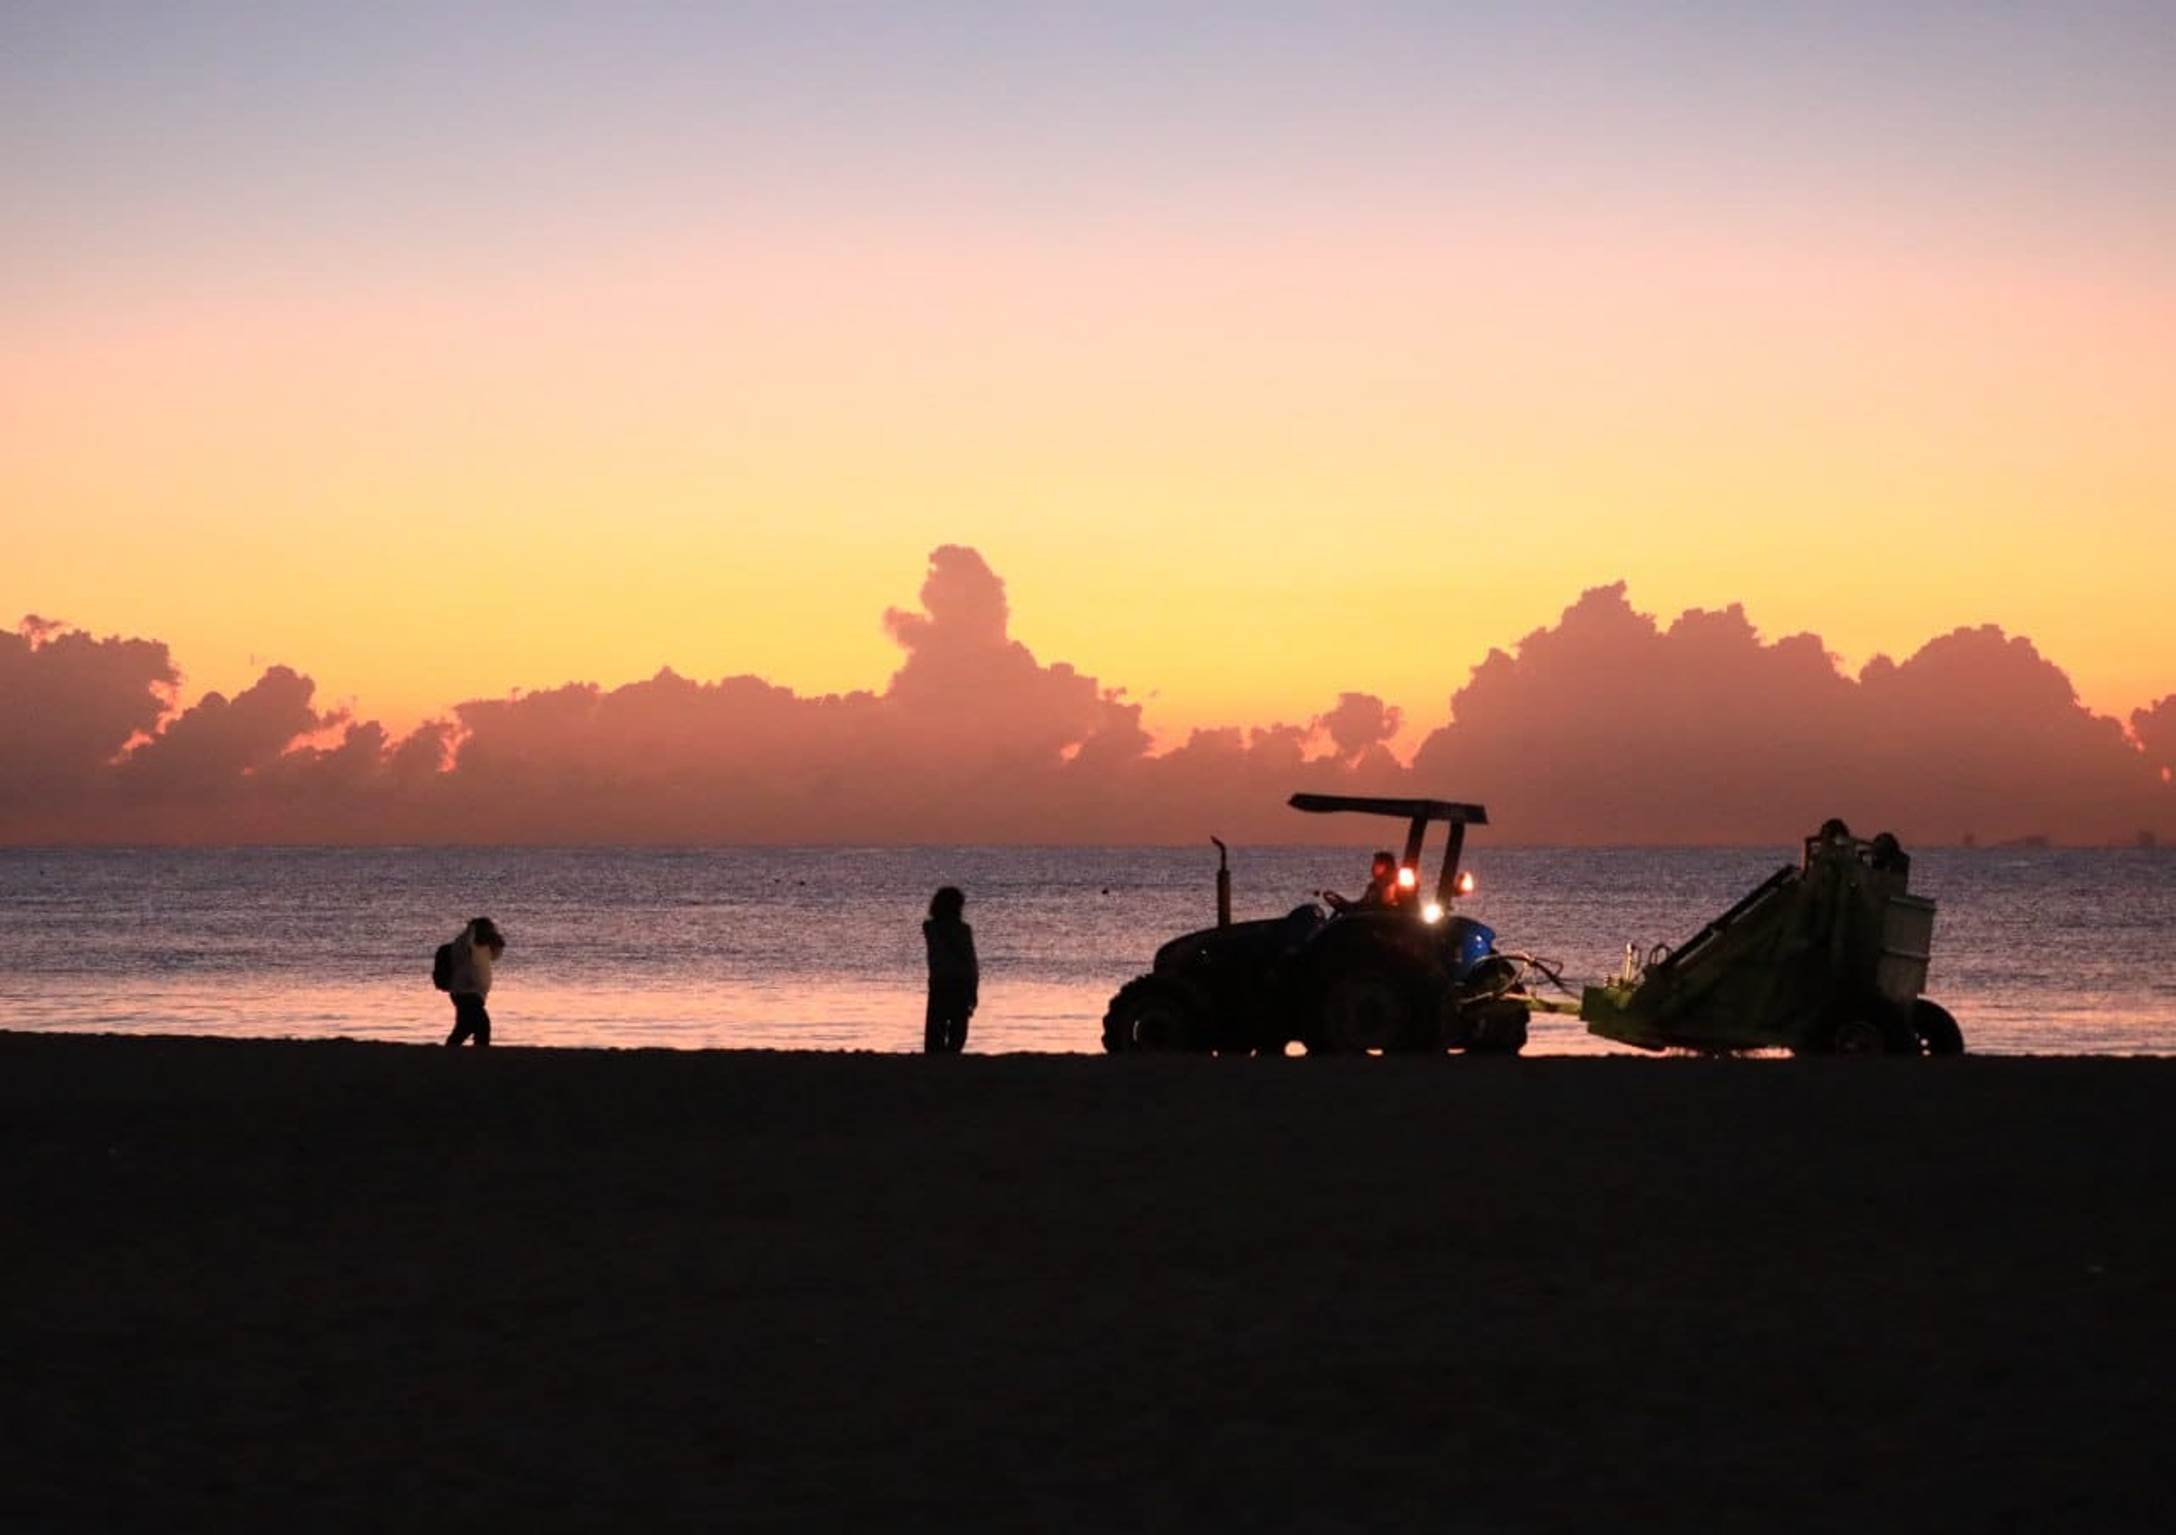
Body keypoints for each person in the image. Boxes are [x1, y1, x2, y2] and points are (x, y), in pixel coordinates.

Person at [922, 887, 978, 1054]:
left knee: (937, 1028)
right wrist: (973, 987)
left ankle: (938, 1063)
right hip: (958, 981)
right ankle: (948, 1060)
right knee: (957, 1030)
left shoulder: (931, 927)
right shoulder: (961, 930)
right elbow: (970, 960)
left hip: (940, 981)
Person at [444, 917, 506, 1048]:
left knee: (464, 1027)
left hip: (477, 994)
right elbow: (464, 944)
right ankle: (480, 1053)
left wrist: (498, 941)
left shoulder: (484, 947)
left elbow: (496, 956)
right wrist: (471, 928)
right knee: (483, 1025)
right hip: (464, 993)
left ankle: (450, 1051)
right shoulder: (463, 943)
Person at [1321, 850, 1402, 914]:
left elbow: (1384, 908)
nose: (1373, 867)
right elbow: (1360, 905)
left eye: (1378, 864)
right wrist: (1344, 904)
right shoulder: (1372, 887)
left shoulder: (1392, 888)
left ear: (1387, 867)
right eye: (1374, 864)